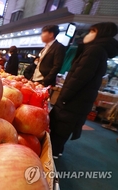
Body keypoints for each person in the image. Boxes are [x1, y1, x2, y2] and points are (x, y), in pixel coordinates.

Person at [49, 22, 118, 159]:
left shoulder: (94, 51)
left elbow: (79, 78)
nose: (88, 34)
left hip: (74, 100)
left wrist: (64, 98)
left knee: (60, 126)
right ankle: (57, 150)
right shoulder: (100, 51)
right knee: (65, 127)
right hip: (80, 101)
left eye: (92, 31)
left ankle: (53, 154)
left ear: (100, 33)